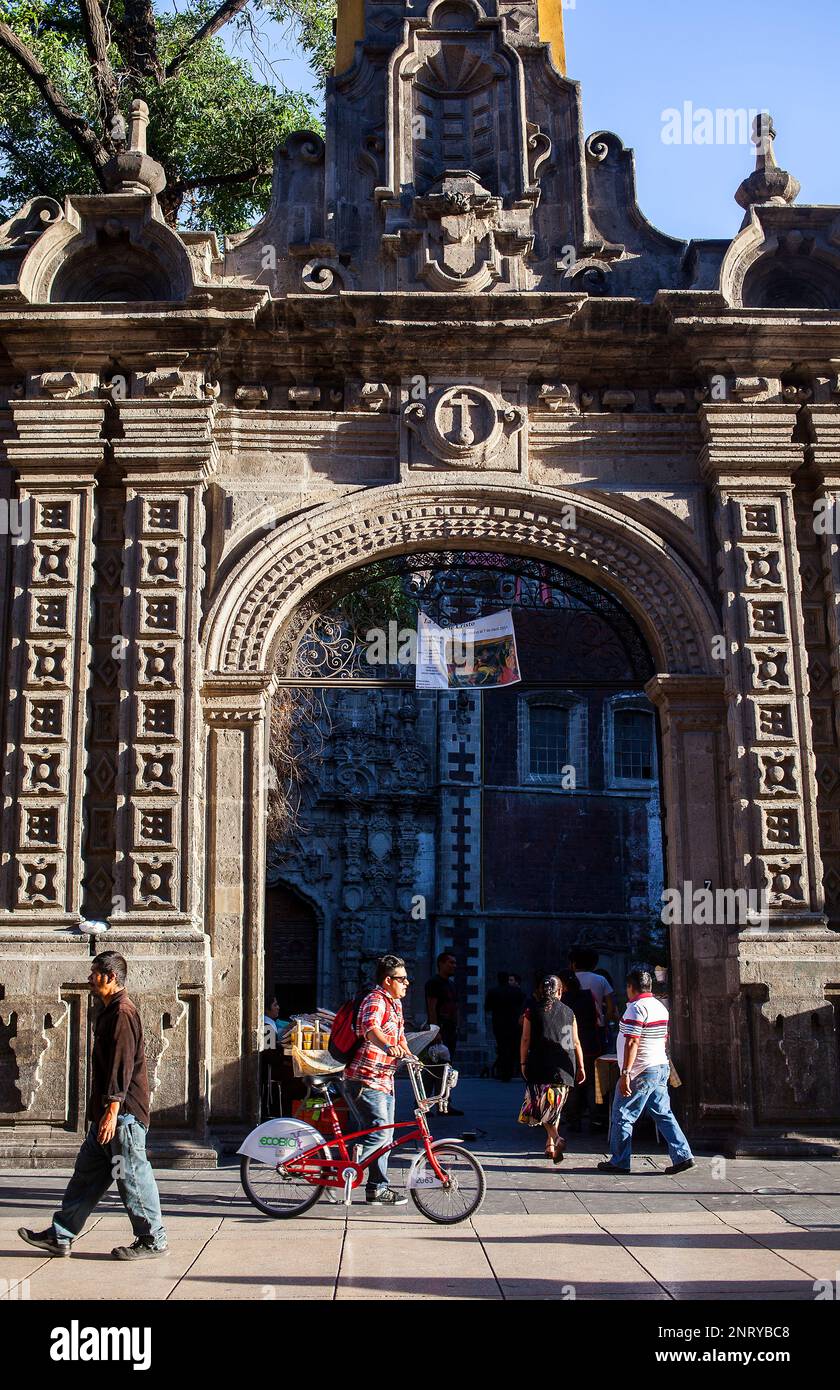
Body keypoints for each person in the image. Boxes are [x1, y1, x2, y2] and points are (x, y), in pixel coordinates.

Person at [18, 951, 168, 1260]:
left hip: (123, 1116)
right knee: (87, 1175)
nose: (89, 978)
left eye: (95, 973)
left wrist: (112, 1112)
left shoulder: (123, 1012)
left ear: (111, 977)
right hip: (107, 1115)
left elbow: (121, 1067)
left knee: (132, 1176)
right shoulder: (109, 1010)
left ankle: (153, 1239)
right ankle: (61, 1234)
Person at [597, 967, 696, 1176]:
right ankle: (682, 1154)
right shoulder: (660, 1007)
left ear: (631, 987)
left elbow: (633, 1041)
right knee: (663, 1114)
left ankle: (620, 1161)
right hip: (659, 1065)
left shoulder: (636, 1008)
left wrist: (626, 1073)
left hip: (641, 1069)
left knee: (623, 1115)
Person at [344, 954, 414, 1206]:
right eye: (403, 979)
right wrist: (387, 1047)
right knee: (378, 1135)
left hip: (384, 1078)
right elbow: (369, 1028)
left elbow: (400, 1036)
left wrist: (409, 1054)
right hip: (366, 1078)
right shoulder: (376, 999)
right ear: (388, 980)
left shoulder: (395, 1003)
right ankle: (345, 1169)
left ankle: (377, 1187)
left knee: (384, 1132)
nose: (407, 983)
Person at [519, 976, 585, 1163]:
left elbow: (525, 1039)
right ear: (559, 992)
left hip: (539, 1066)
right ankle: (550, 1145)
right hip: (565, 1067)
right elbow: (576, 1041)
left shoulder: (532, 1011)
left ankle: (556, 1138)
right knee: (554, 1107)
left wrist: (523, 1063)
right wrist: (580, 1066)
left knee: (540, 1108)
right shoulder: (569, 1012)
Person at [558, 970, 599, 1131]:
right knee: (590, 1084)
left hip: (568, 1044)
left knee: (572, 1084)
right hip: (589, 1044)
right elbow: (597, 1018)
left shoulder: (562, 1001)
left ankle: (573, 1120)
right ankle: (595, 1120)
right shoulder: (588, 996)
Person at [425, 950, 464, 1114]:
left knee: (446, 1069)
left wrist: (457, 1025)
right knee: (431, 1068)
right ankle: (424, 1104)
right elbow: (431, 1007)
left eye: (455, 963)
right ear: (441, 963)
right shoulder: (434, 983)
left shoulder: (451, 984)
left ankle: (444, 1104)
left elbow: (455, 1006)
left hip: (450, 1030)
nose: (454, 966)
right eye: (451, 962)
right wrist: (435, 1030)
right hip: (439, 1030)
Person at [484, 971, 526, 1081]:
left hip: (499, 1023)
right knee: (512, 1047)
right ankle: (510, 1071)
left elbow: (487, 1007)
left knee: (502, 1047)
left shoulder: (493, 992)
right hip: (513, 1022)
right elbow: (523, 1004)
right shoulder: (516, 991)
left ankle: (504, 1072)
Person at [569, 946, 617, 1035]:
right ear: (594, 964)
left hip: (569, 1027)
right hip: (595, 1027)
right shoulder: (601, 979)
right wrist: (603, 1022)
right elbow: (611, 1008)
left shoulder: (567, 979)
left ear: (574, 963)